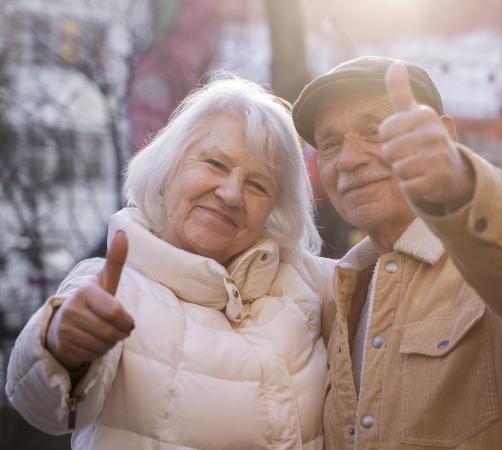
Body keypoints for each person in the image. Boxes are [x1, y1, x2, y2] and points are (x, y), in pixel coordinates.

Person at [5, 76, 334, 449]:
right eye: (214, 163)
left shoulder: (307, 283)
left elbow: (398, 271)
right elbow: (43, 406)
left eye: (258, 185)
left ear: (274, 209)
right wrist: (63, 347)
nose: (230, 194)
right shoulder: (111, 285)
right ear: (168, 167)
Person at [291, 56, 502, 449]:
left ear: (445, 136)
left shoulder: (501, 257)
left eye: (375, 130)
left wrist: (460, 185)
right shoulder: (340, 291)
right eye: (331, 144)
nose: (349, 159)